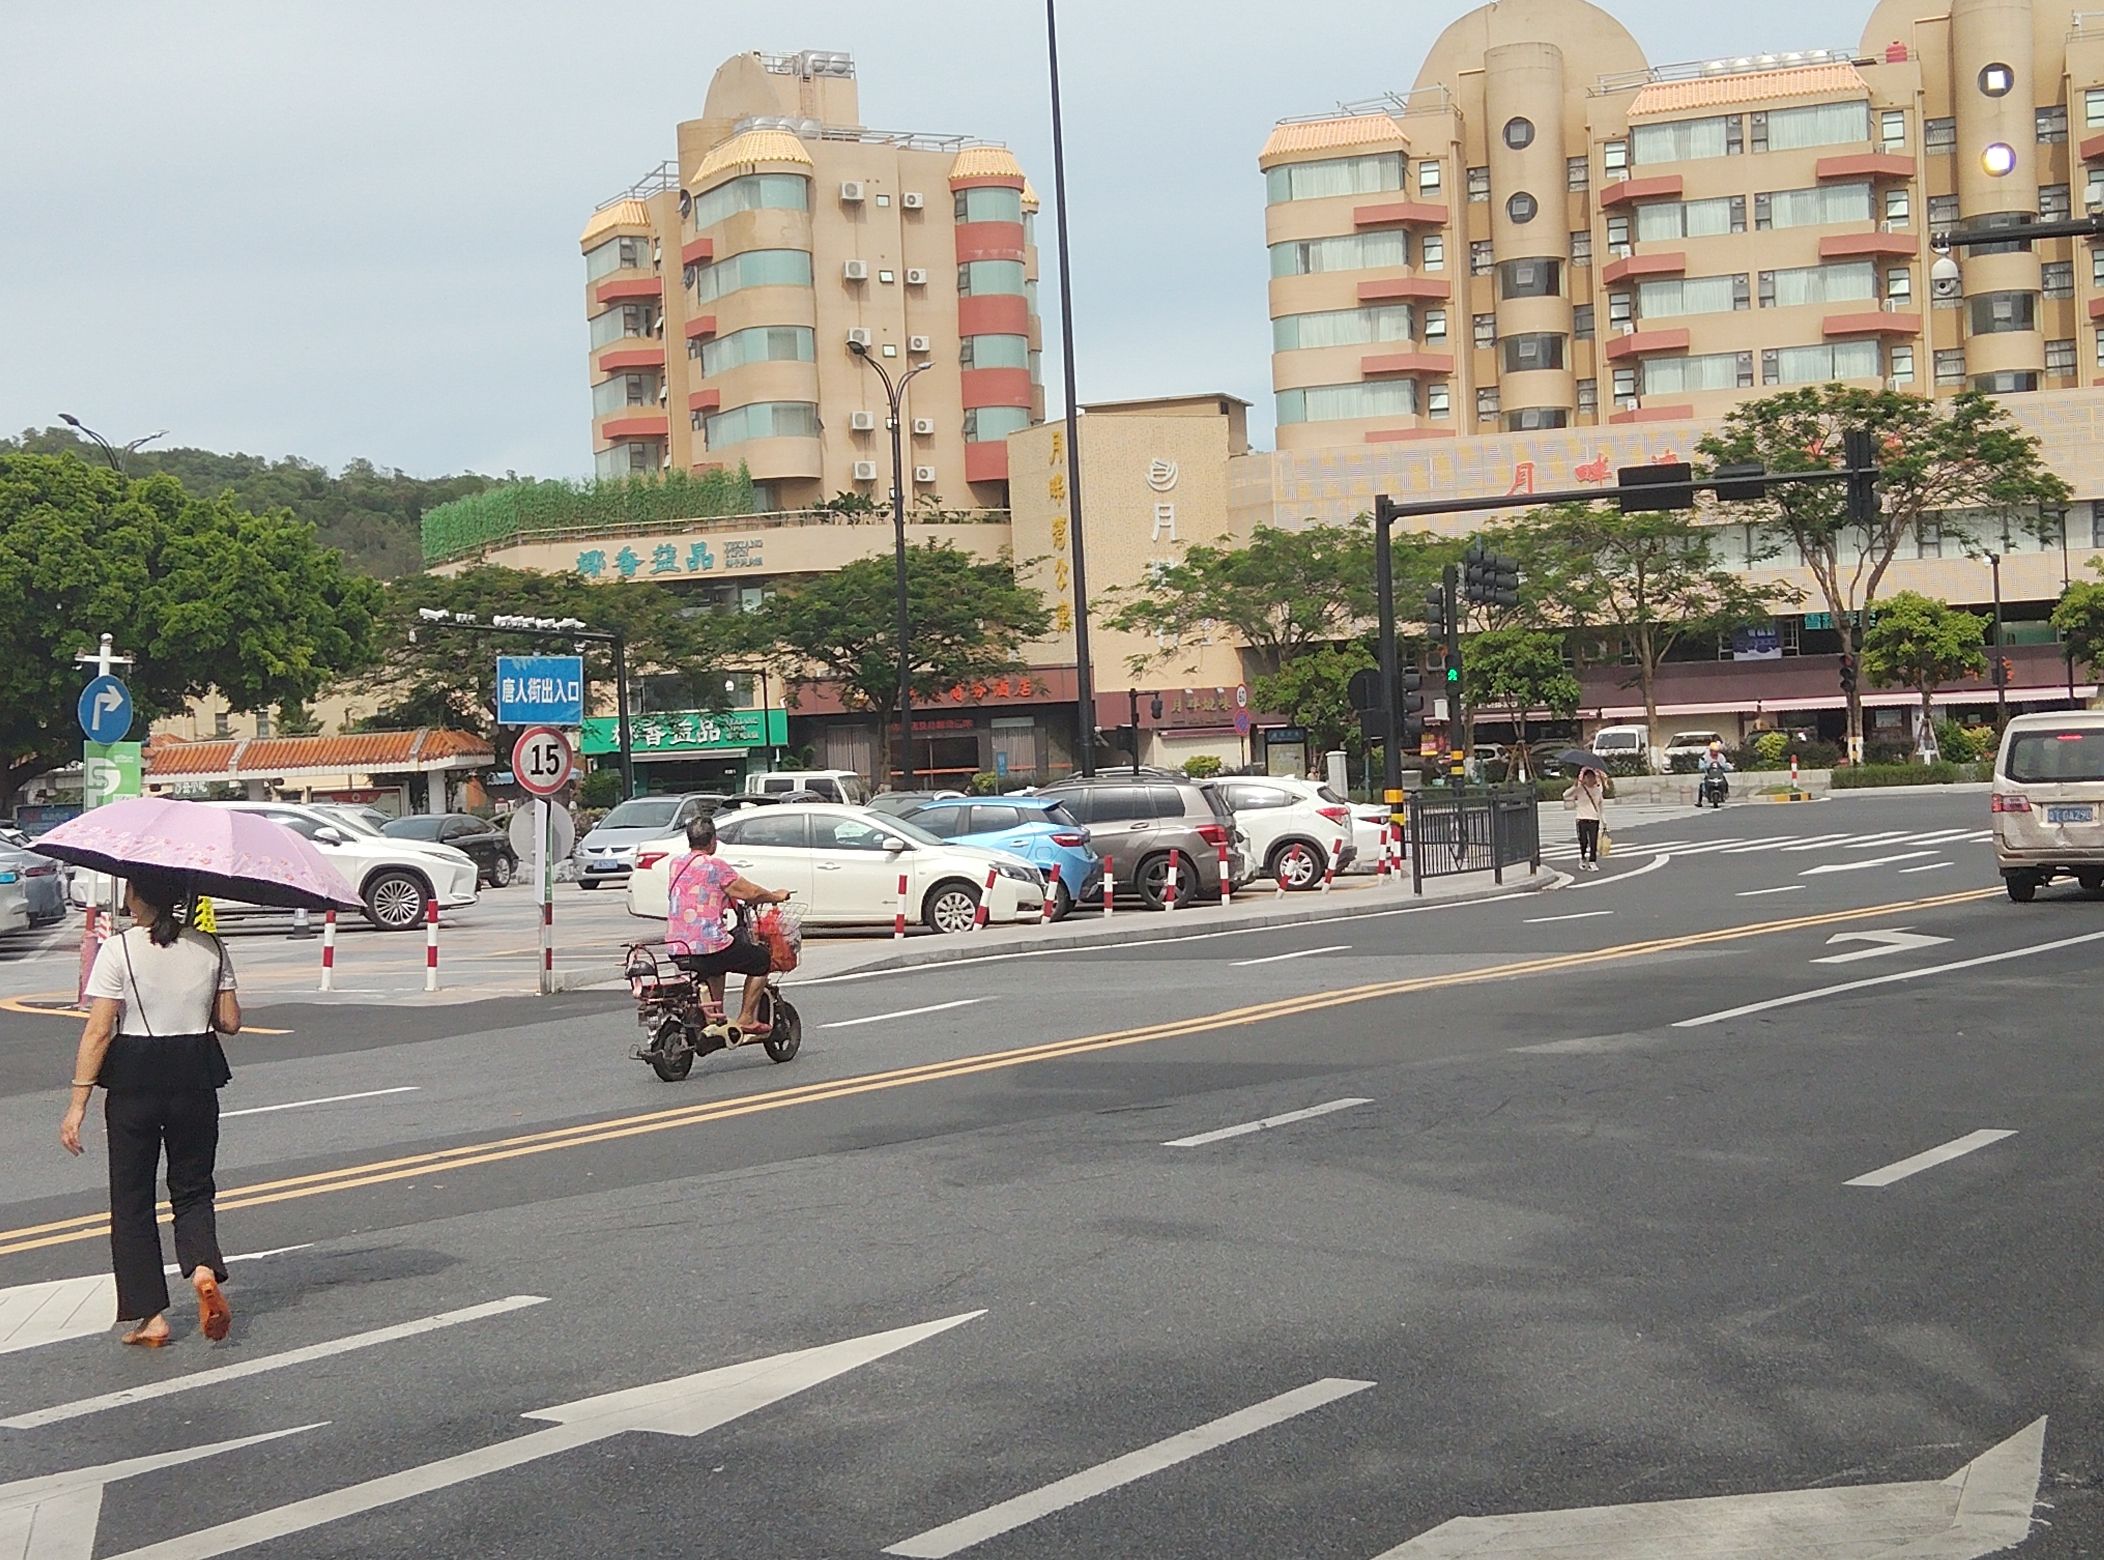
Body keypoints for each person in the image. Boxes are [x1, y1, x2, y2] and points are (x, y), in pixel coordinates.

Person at [58, 868, 240, 1347]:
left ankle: (151, 1317)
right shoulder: (210, 946)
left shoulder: (119, 949)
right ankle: (203, 1269)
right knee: (193, 1187)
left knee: (132, 1198)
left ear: (136, 896)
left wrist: (77, 1103)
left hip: (135, 1078)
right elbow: (230, 1021)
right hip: (195, 1074)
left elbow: (99, 1031)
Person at [666, 814, 790, 1033]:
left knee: (717, 966)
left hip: (677, 946)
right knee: (760, 959)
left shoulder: (676, 864)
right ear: (712, 840)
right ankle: (747, 1019)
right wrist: (775, 896)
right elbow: (751, 893)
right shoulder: (715, 866)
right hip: (708, 946)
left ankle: (715, 1018)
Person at [1564, 766, 1606, 872]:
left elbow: (1601, 806)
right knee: (1583, 841)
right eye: (1588, 777)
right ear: (1584, 778)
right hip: (1581, 819)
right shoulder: (1580, 789)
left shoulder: (1597, 790)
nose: (1590, 779)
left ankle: (1592, 861)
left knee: (1593, 842)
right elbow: (1565, 795)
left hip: (1594, 819)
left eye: (1592, 777)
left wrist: (1604, 821)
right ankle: (1582, 857)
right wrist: (1574, 786)